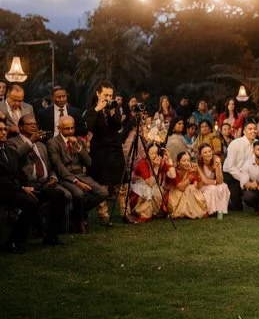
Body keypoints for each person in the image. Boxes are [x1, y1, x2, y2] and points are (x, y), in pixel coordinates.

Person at [0, 119, 66, 252]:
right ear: (21, 126)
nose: (3, 132)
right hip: (7, 189)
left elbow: (47, 165)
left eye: (4, 129)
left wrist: (52, 177)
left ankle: (51, 236)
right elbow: (15, 161)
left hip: (30, 185)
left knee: (58, 195)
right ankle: (14, 241)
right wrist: (23, 187)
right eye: (0, 130)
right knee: (30, 202)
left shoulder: (6, 147)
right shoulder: (12, 143)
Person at [47, 115, 108, 233]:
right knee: (79, 194)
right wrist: (76, 182)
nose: (70, 131)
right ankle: (79, 221)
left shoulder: (78, 141)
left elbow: (89, 163)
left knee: (103, 193)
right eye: (66, 128)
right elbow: (59, 167)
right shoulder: (53, 143)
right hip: (66, 177)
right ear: (59, 128)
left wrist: (79, 148)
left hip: (81, 174)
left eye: (72, 128)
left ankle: (75, 215)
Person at [85, 81, 125, 225]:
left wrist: (114, 113)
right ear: (98, 93)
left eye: (111, 95)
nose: (108, 97)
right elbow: (88, 126)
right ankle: (104, 216)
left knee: (121, 181)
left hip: (115, 147)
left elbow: (118, 126)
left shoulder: (114, 106)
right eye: (105, 95)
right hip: (99, 148)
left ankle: (125, 212)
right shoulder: (91, 108)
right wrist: (97, 109)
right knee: (101, 182)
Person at [129, 143, 175, 222]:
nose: (154, 155)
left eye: (156, 153)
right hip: (140, 187)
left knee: (158, 190)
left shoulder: (161, 162)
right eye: (151, 153)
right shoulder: (143, 163)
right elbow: (149, 183)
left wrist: (169, 159)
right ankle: (142, 212)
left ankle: (154, 212)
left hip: (152, 185)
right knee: (149, 190)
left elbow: (172, 175)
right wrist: (156, 168)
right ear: (147, 154)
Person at [223, 122, 258, 210]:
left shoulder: (258, 144)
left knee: (252, 195)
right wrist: (244, 179)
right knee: (236, 207)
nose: (253, 131)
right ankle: (231, 202)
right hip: (231, 174)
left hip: (247, 175)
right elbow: (230, 167)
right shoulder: (235, 144)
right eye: (250, 129)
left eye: (255, 129)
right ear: (244, 131)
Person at [167, 152, 208, 219]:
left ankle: (191, 211)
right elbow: (181, 188)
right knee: (187, 190)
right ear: (178, 162)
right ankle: (183, 212)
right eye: (184, 161)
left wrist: (199, 177)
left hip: (188, 192)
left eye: (188, 160)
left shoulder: (191, 169)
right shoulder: (174, 172)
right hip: (175, 194)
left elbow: (199, 187)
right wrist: (190, 177)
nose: (187, 163)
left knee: (191, 189)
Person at [196, 143, 230, 215]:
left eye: (209, 151)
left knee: (223, 186)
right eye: (205, 152)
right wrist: (215, 182)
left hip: (213, 183)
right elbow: (204, 181)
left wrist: (217, 167)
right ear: (201, 155)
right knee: (212, 188)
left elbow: (220, 181)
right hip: (201, 186)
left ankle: (221, 211)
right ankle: (212, 211)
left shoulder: (216, 159)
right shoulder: (198, 164)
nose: (208, 154)